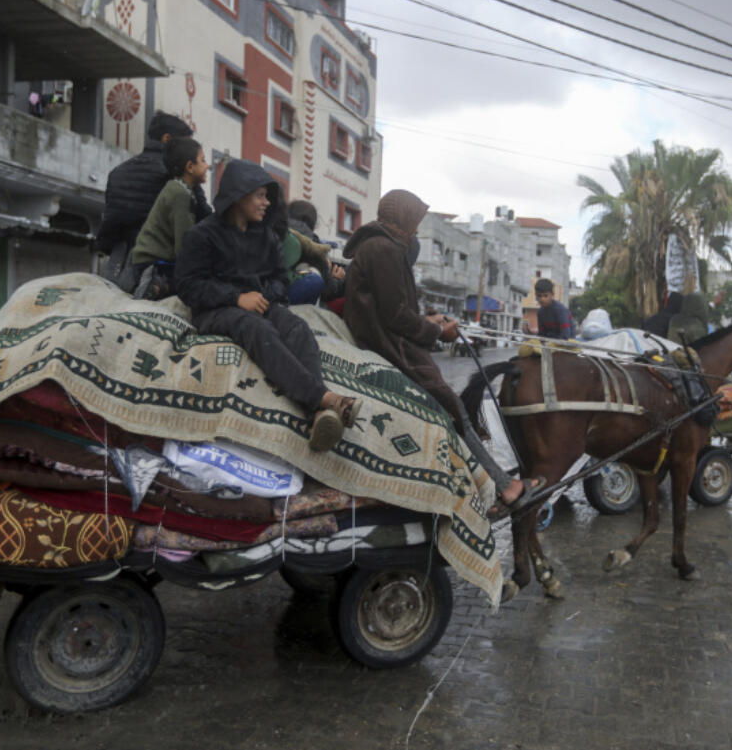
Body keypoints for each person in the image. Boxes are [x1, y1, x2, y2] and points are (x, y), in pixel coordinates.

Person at [342, 189, 538, 514]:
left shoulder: (376, 246)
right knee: (453, 408)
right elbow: (395, 316)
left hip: (386, 339)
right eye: (414, 221)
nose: (417, 229)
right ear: (402, 217)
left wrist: (428, 320)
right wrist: (437, 330)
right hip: (392, 348)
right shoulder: (384, 249)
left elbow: (392, 308)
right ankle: (503, 487)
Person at [175, 160, 361, 452]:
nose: (266, 203)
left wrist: (263, 296)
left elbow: (279, 281)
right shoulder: (202, 235)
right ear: (239, 195)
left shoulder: (267, 237)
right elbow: (188, 285)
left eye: (267, 197)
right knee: (258, 329)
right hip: (215, 310)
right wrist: (237, 298)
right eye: (260, 195)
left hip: (259, 304)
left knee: (297, 327)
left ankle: (318, 415)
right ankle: (324, 399)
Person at [96, 112, 210, 286]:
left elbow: (108, 227)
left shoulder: (117, 172)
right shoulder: (178, 177)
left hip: (117, 267)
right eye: (185, 143)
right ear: (167, 139)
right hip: (159, 269)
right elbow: (202, 221)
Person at [129, 136, 208, 299]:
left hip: (151, 261)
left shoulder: (181, 189)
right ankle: (154, 286)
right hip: (153, 265)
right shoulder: (180, 195)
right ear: (190, 167)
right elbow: (184, 245)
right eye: (203, 160)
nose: (208, 165)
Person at [284, 200, 346, 306]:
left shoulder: (276, 230)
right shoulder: (313, 245)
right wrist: (337, 279)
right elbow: (328, 291)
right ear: (313, 223)